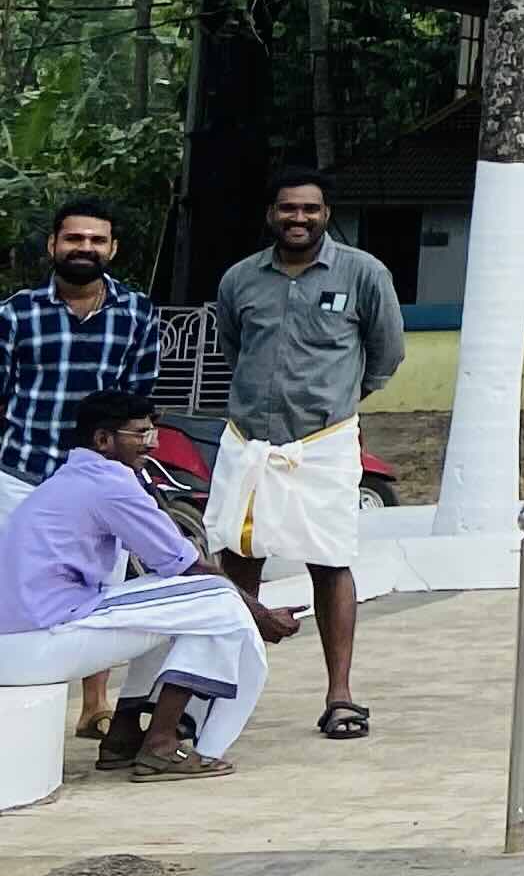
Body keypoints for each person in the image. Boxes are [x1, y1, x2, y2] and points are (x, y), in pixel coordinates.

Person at [0, 385, 296, 779]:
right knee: (217, 602)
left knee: (177, 605)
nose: (153, 444)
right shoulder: (110, 484)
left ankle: (122, 736)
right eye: (140, 434)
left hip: (27, 637)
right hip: (39, 639)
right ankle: (161, 744)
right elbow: (185, 564)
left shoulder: (75, 476)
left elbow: (170, 570)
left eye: (151, 432)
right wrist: (260, 614)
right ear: (103, 440)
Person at [205, 168, 406, 740]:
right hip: (249, 442)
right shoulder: (241, 279)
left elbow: (385, 353)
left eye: (310, 210)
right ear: (271, 214)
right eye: (287, 209)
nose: (299, 218)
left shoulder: (363, 273)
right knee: (238, 561)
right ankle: (226, 692)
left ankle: (340, 695)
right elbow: (234, 347)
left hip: (323, 445)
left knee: (330, 561)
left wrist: (337, 400)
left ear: (326, 214)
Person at [1, 195, 161, 741]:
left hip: (98, 484)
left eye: (96, 240)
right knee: (10, 585)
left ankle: (95, 704)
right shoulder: (15, 314)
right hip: (23, 472)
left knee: (99, 590)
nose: (84, 249)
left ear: (112, 249)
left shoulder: (137, 313)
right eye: (74, 238)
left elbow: (138, 402)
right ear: (53, 245)